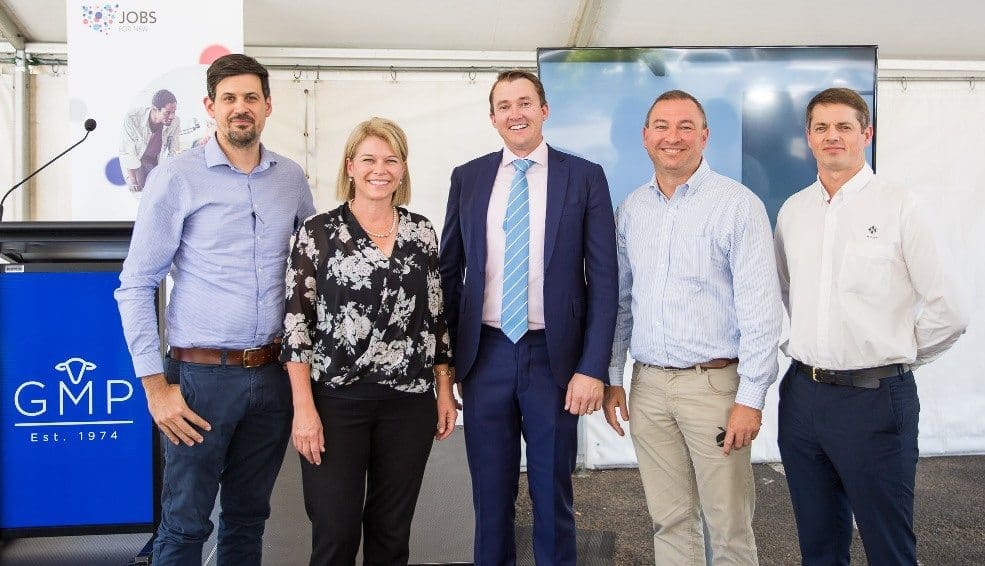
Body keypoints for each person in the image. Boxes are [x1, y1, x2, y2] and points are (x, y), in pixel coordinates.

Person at [115, 54, 315, 565]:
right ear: (210, 107)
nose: (240, 108)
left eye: (251, 97)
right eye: (229, 99)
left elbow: (311, 272)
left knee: (248, 521)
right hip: (201, 380)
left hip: (271, 377)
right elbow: (135, 284)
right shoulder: (177, 177)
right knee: (184, 527)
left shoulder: (291, 179)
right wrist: (156, 388)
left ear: (268, 106)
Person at [774, 87, 968, 565]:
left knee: (888, 546)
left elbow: (951, 310)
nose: (832, 137)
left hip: (875, 401)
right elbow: (783, 294)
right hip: (802, 398)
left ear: (867, 134)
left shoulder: (902, 206)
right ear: (808, 138)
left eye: (844, 127)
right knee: (818, 545)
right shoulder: (793, 211)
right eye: (821, 127)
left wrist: (898, 358)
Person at [439, 70, 618, 565]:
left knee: (551, 493)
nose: (515, 113)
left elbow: (604, 281)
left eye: (525, 102)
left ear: (545, 110)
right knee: (490, 498)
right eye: (504, 105)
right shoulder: (469, 177)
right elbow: (450, 273)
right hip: (486, 354)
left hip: (555, 360)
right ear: (492, 117)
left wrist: (593, 367)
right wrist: (448, 362)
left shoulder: (584, 177)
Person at [603, 89, 782, 565]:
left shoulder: (737, 205)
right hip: (649, 387)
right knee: (670, 520)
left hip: (716, 389)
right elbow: (622, 303)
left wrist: (751, 398)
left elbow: (762, 313)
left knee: (729, 527)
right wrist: (612, 376)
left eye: (686, 127)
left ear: (704, 136)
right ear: (644, 137)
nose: (673, 137)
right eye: (661, 126)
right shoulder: (632, 210)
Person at [281, 117, 457, 565]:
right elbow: (296, 326)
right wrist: (303, 408)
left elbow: (436, 319)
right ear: (350, 167)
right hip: (336, 403)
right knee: (335, 533)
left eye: (391, 160)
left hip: (409, 403)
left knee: (391, 534)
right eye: (369, 159)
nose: (380, 169)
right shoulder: (317, 233)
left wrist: (444, 391)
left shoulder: (422, 232)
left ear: (403, 169)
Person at [119, 88, 182, 193]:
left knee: (160, 189)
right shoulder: (132, 118)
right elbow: (127, 153)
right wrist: (134, 182)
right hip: (137, 161)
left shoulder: (175, 122)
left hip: (156, 161)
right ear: (154, 109)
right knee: (140, 190)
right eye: (167, 112)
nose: (172, 116)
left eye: (174, 112)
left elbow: (173, 152)